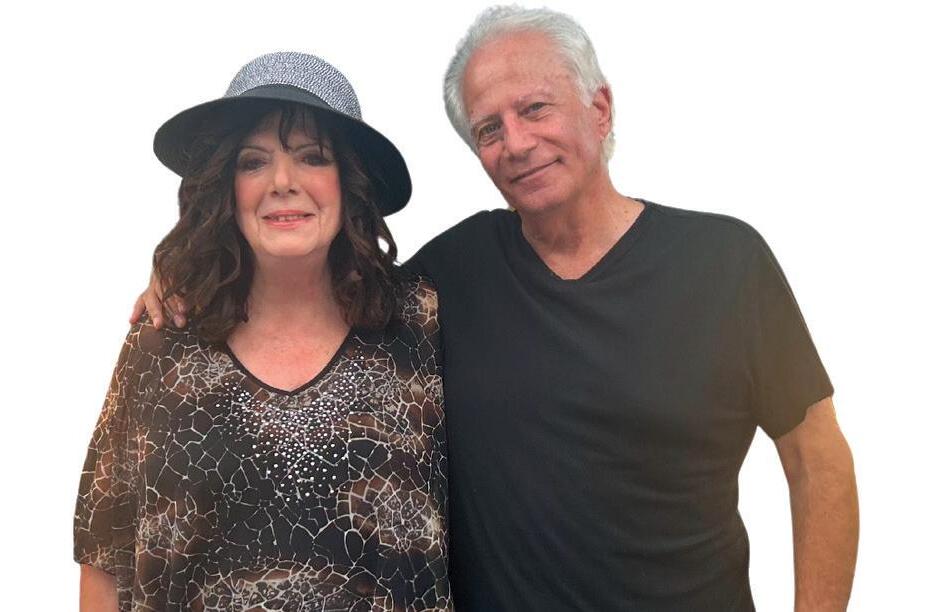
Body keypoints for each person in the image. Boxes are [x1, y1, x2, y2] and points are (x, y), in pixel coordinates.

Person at [135, 7, 859, 611]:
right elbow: (315, 281)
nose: (517, 143)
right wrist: (182, 273)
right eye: (488, 128)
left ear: (599, 108)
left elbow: (816, 460)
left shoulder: (725, 263)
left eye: (535, 109)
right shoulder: (451, 277)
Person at [75, 52, 451, 611]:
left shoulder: (421, 324)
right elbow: (104, 552)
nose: (282, 182)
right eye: (253, 162)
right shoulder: (162, 340)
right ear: (225, 187)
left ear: (350, 181)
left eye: (312, 157)